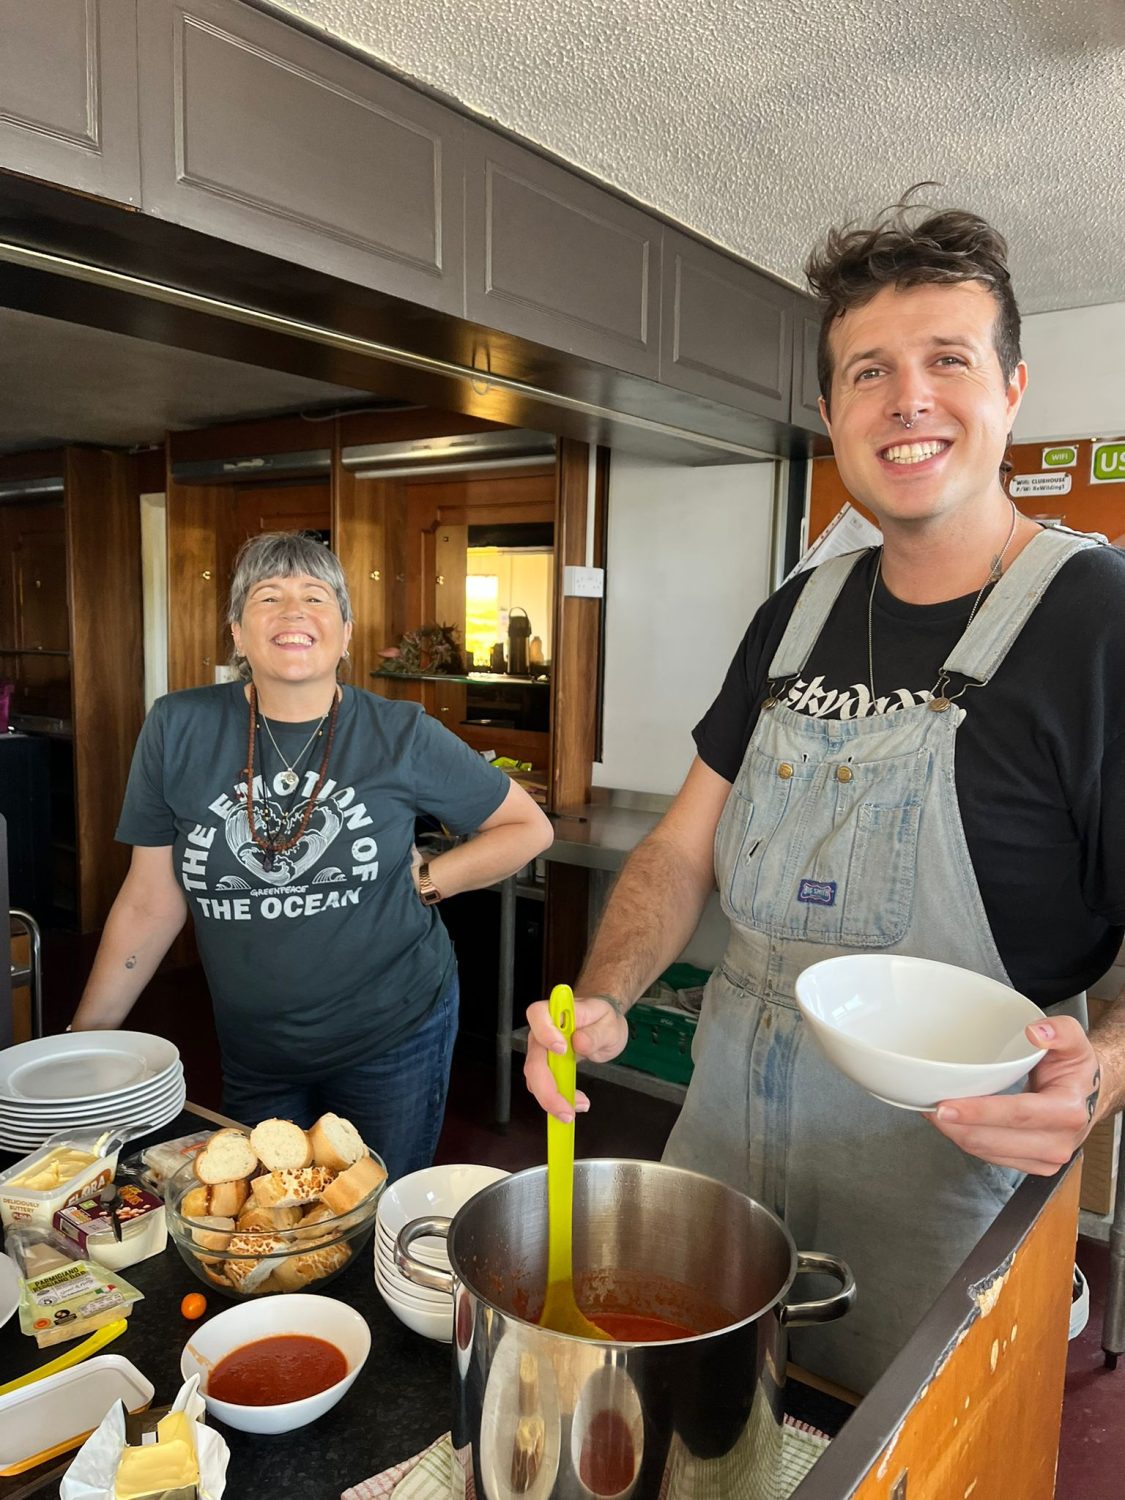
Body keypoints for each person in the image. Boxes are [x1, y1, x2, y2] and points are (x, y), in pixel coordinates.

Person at [525, 195, 1125, 1393]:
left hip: (948, 1188)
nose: (907, 398)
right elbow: (682, 850)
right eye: (868, 371)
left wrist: (1103, 1070)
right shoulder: (793, 613)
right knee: (709, 1428)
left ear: (1012, 388)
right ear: (832, 414)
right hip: (723, 1161)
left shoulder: (1098, 621)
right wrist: (599, 997)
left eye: (947, 360)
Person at [73, 531, 553, 1180]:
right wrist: (83, 1043)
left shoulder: (400, 733)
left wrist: (429, 881)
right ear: (237, 633)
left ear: (346, 633)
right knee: (264, 1218)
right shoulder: (176, 727)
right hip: (255, 1045)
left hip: (393, 1031)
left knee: (368, 1206)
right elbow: (149, 900)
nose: (293, 611)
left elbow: (526, 827)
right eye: (267, 597)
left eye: (315, 597)